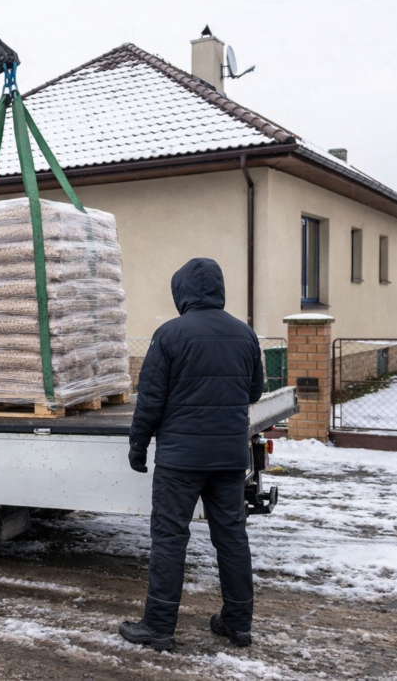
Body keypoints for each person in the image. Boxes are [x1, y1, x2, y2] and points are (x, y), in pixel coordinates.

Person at [119, 258, 264, 652]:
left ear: (180, 291)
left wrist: (138, 445)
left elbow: (150, 400)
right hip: (230, 458)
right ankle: (237, 622)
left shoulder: (169, 334)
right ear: (219, 289)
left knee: (169, 539)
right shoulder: (245, 335)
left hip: (180, 460)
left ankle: (159, 626)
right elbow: (253, 393)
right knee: (232, 538)